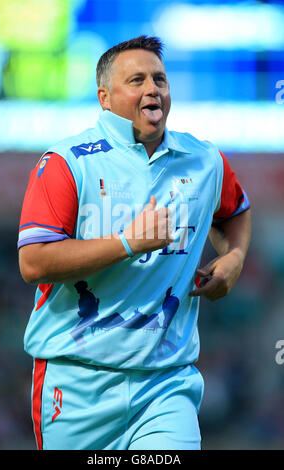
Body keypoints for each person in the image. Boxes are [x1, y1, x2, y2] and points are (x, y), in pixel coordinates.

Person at [18, 36, 251, 451]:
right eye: (137, 80)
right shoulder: (65, 163)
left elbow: (235, 212)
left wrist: (233, 259)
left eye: (159, 79)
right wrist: (128, 243)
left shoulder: (205, 160)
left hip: (167, 383)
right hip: (76, 384)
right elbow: (33, 262)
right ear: (104, 97)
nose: (153, 89)